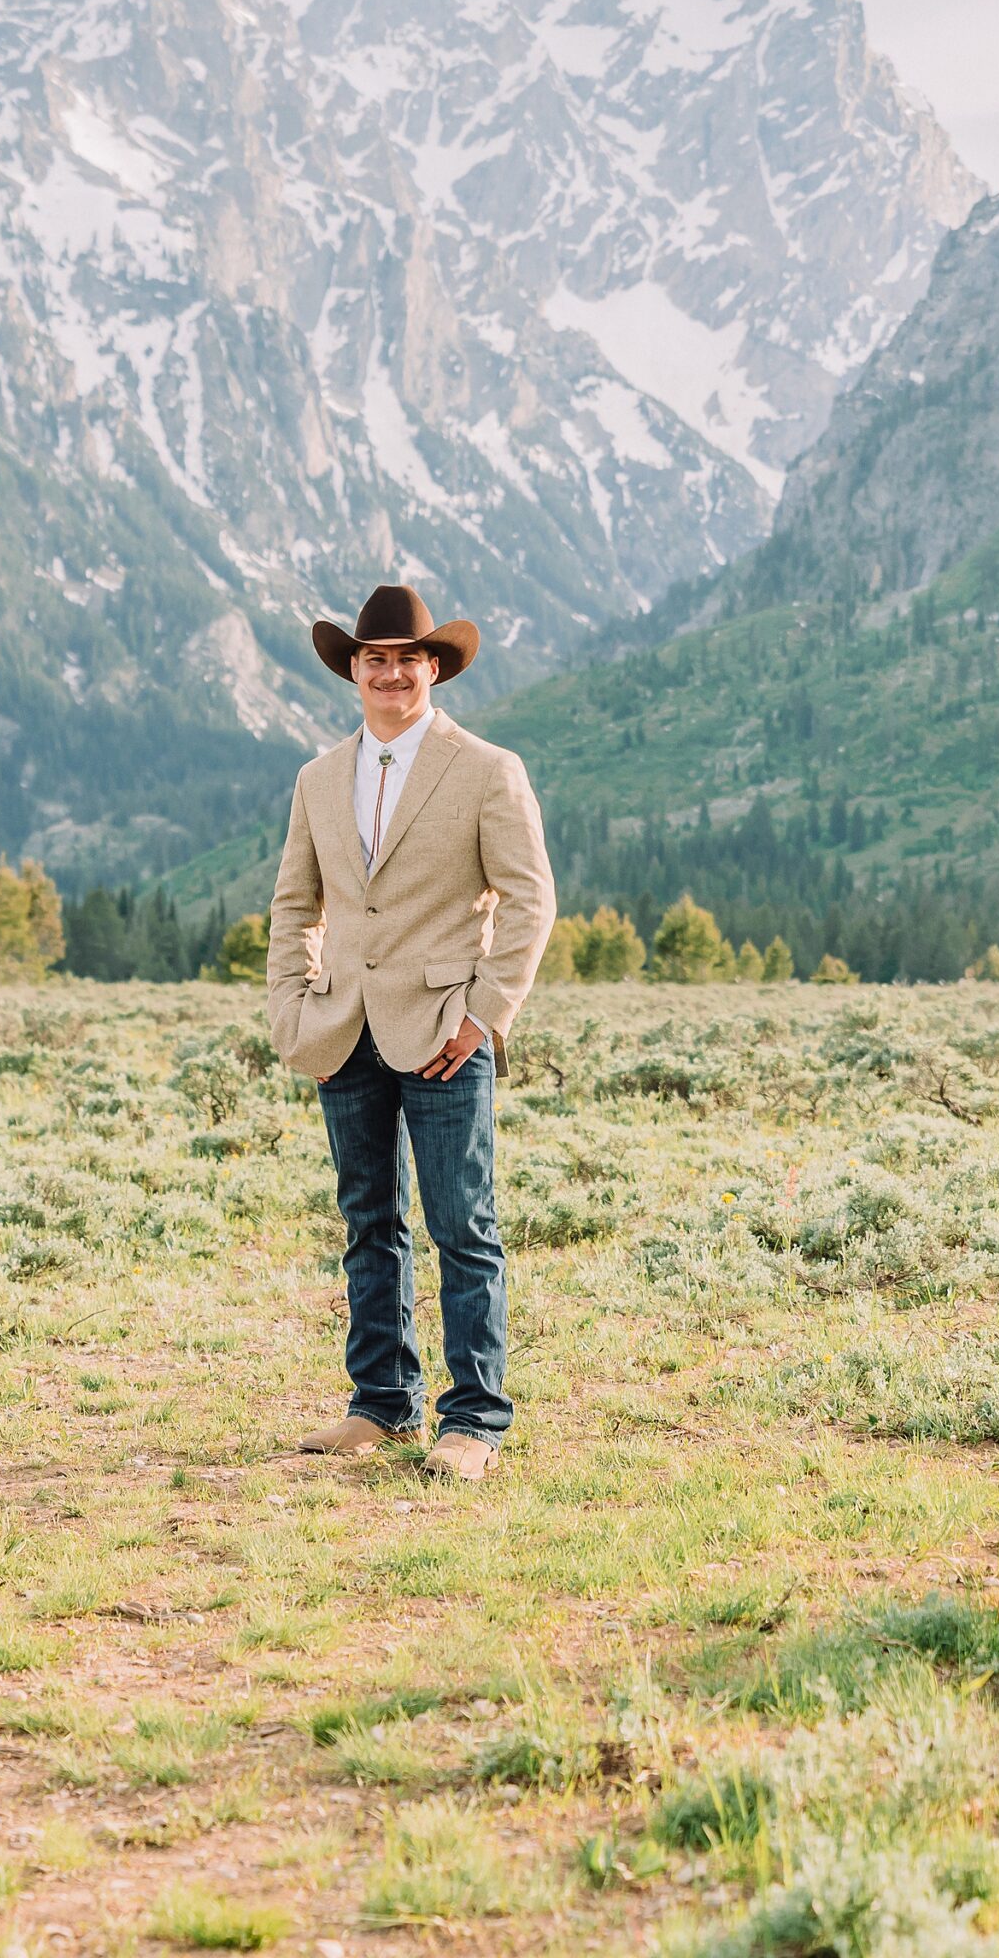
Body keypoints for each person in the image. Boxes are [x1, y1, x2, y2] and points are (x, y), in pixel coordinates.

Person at [266, 584, 556, 1480]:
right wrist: (292, 1008)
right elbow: (293, 904)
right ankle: (380, 1405)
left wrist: (483, 1016)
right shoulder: (318, 777)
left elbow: (529, 900)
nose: (390, 674)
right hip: (341, 1028)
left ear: (434, 667)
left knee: (462, 1225)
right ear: (353, 669)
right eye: (373, 659)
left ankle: (472, 1421)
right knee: (368, 1222)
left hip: (443, 1032)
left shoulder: (485, 768)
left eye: (406, 659)